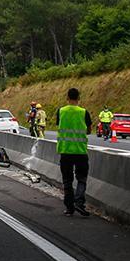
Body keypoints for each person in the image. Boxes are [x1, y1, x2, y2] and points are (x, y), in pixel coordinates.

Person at [55, 88, 91, 217]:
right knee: (81, 178)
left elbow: (58, 125)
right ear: (78, 98)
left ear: (67, 98)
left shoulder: (61, 111)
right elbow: (88, 131)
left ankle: (69, 208)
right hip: (80, 151)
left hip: (65, 151)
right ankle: (79, 202)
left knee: (67, 181)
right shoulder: (84, 112)